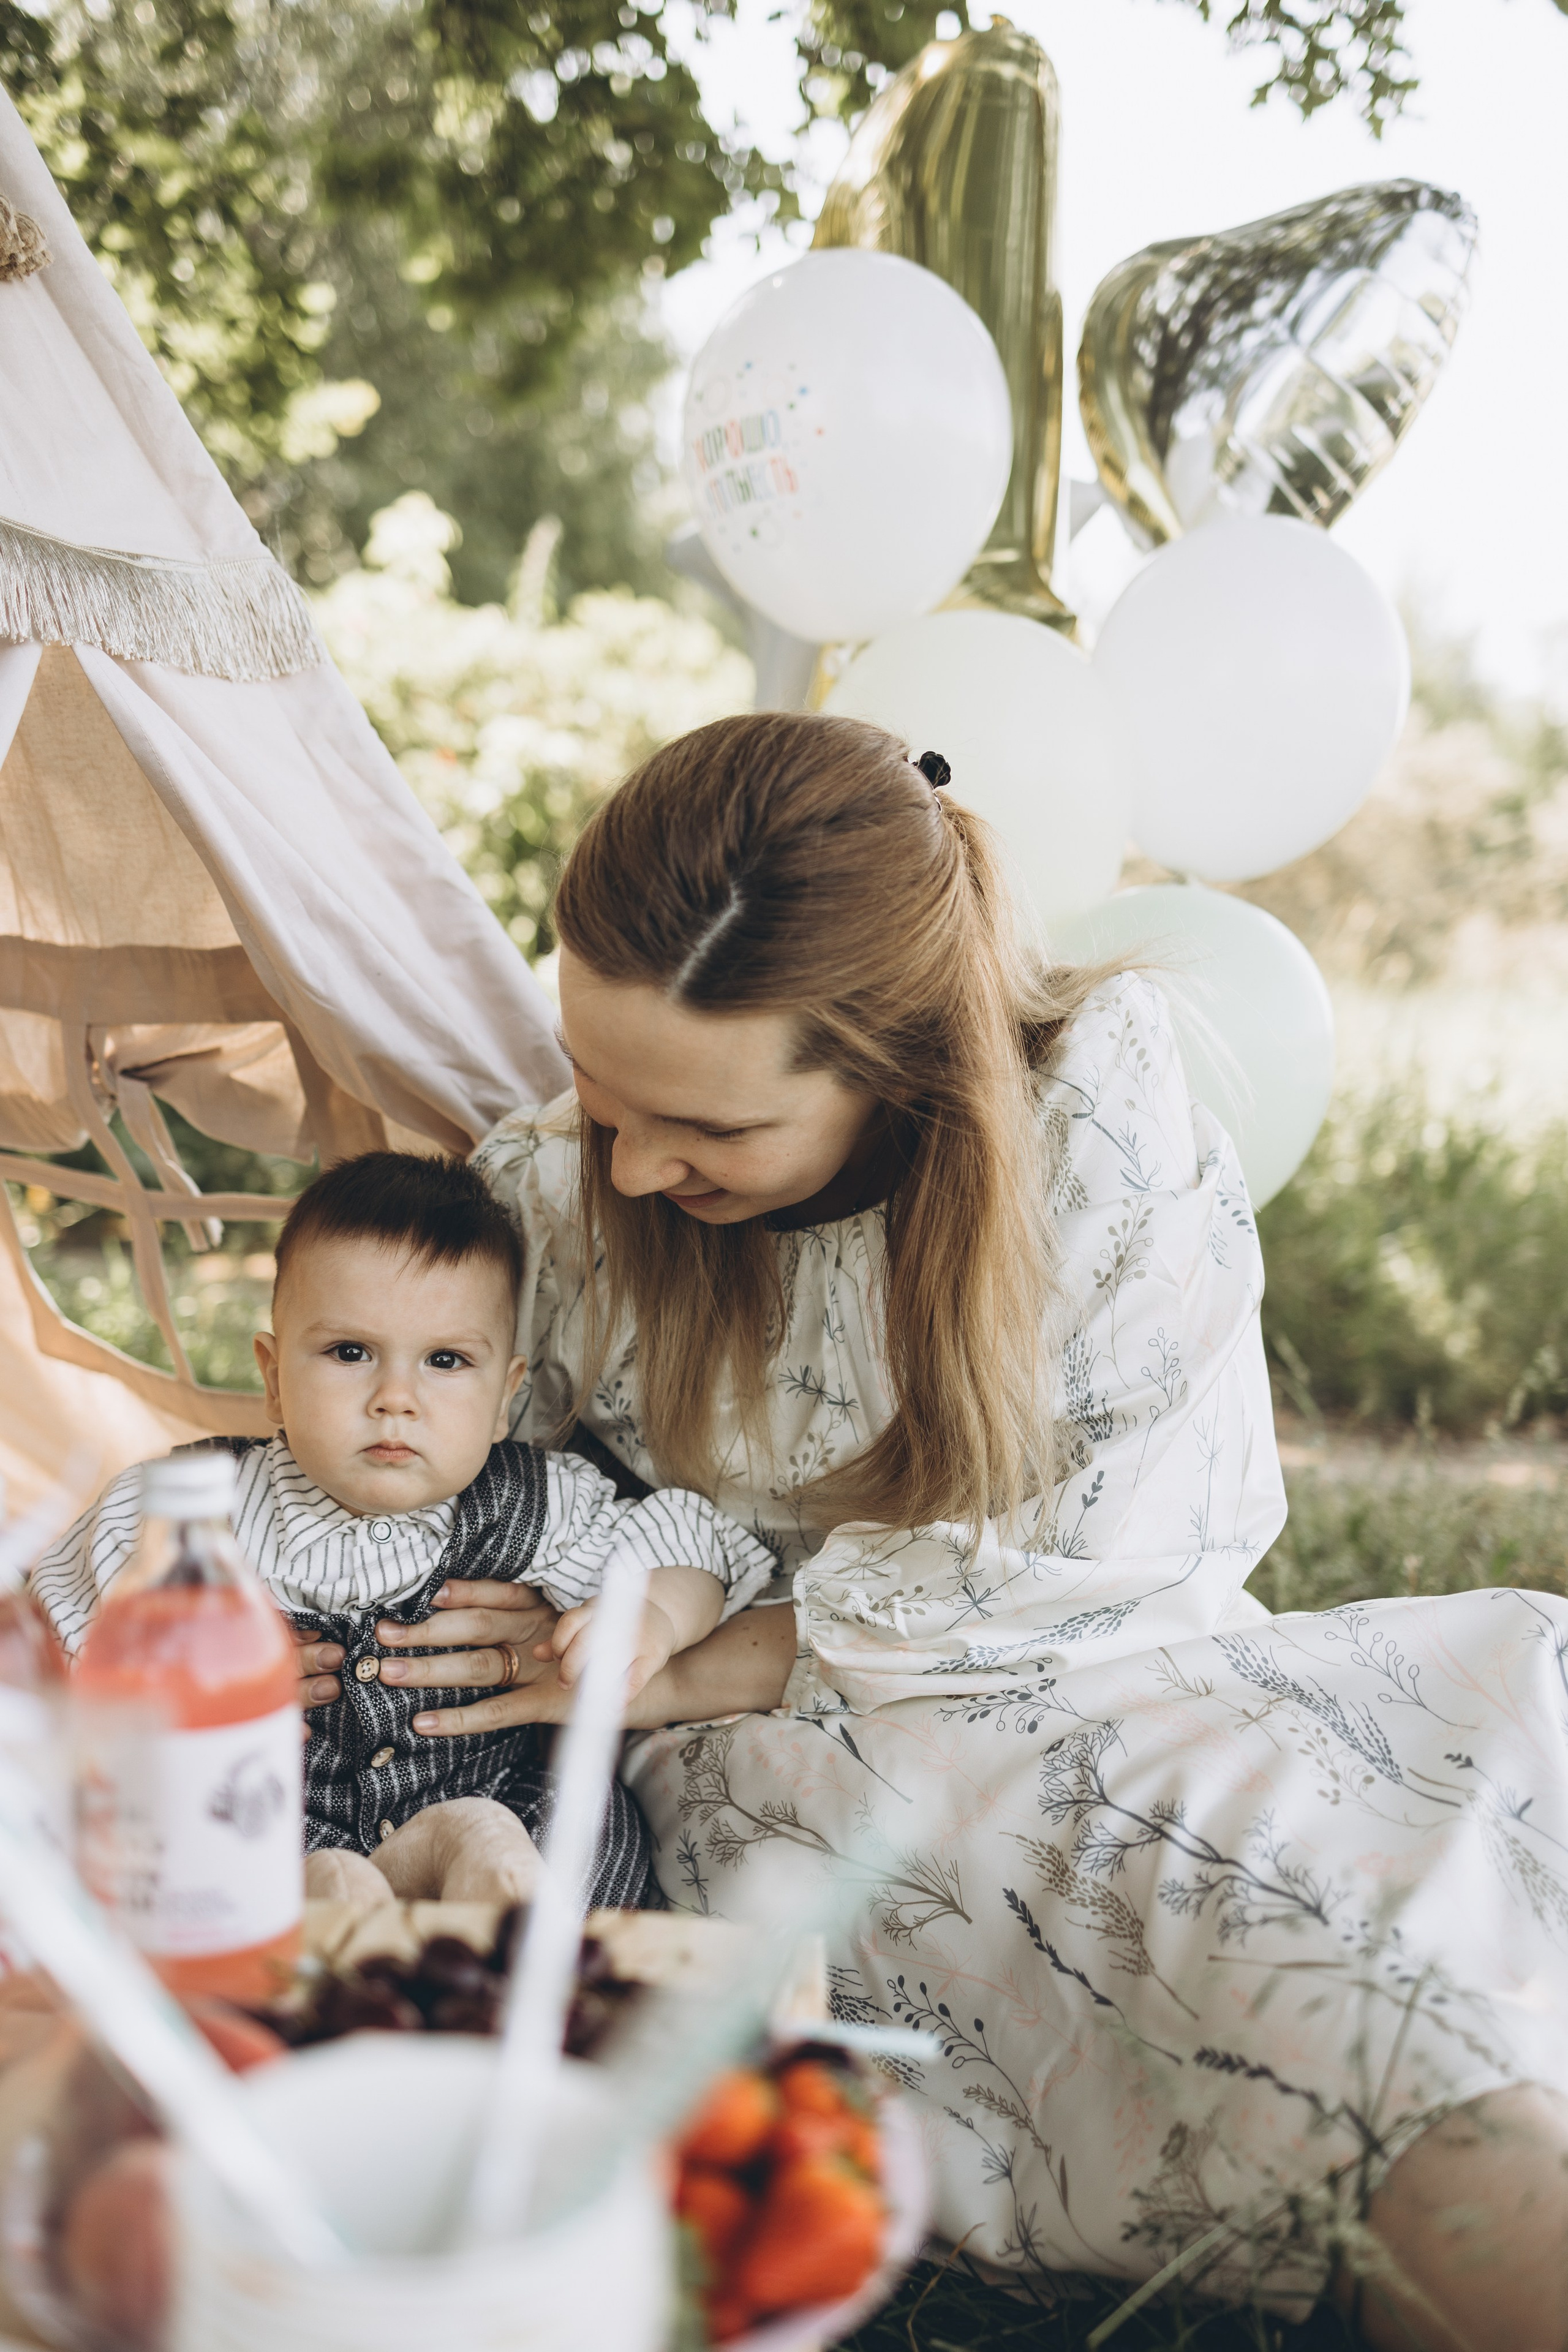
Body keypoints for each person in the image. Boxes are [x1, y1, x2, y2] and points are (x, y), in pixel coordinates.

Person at [344, 710, 1568, 2350]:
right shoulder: (565, 1196)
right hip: (789, 1772)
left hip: (1115, 1686)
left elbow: (1077, 1560)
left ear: (897, 1060)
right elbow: (436, 1456)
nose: (628, 1159)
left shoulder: (1094, 1135)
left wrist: (695, 1663)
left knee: (1334, 1976)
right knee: (1093, 1951)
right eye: (598, 1088)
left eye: (705, 1131)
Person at [31, 1152, 778, 1911]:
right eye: (350, 1353)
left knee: (577, 1835)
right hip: (261, 1828)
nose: (396, 1398)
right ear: (273, 1376)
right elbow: (46, 1644)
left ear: (502, 1398)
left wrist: (647, 1615)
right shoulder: (182, 1513)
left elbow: (691, 1541)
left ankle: (554, 1998)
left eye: (446, 1361)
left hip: (493, 1806)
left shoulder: (536, 1505)